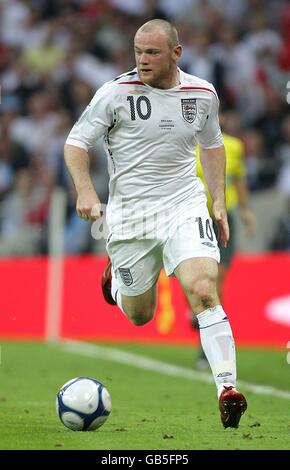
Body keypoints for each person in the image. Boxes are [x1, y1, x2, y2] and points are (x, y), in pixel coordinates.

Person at [64, 19, 247, 429]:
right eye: (138, 52)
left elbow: (212, 143)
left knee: (203, 289)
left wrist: (217, 198)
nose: (142, 61)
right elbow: (76, 143)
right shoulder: (114, 93)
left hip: (184, 204)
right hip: (130, 217)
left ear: (176, 53)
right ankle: (116, 282)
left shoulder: (202, 93)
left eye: (152, 53)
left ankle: (227, 388)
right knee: (139, 315)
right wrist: (85, 192)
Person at [191, 125, 257, 370]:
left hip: (223, 220)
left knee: (217, 284)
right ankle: (194, 314)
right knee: (193, 279)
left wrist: (246, 210)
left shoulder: (233, 146)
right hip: (194, 220)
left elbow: (238, 179)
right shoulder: (187, 144)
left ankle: (204, 351)